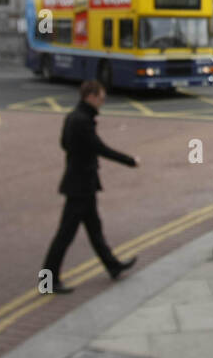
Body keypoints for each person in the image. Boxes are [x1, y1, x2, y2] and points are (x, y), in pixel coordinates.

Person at [41, 79, 139, 293]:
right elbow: (100, 148)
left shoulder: (73, 117)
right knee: (64, 236)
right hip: (80, 186)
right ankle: (46, 281)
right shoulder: (82, 120)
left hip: (82, 183)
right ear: (91, 96)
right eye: (101, 98)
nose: (103, 102)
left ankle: (113, 266)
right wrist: (129, 160)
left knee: (95, 231)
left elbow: (64, 144)